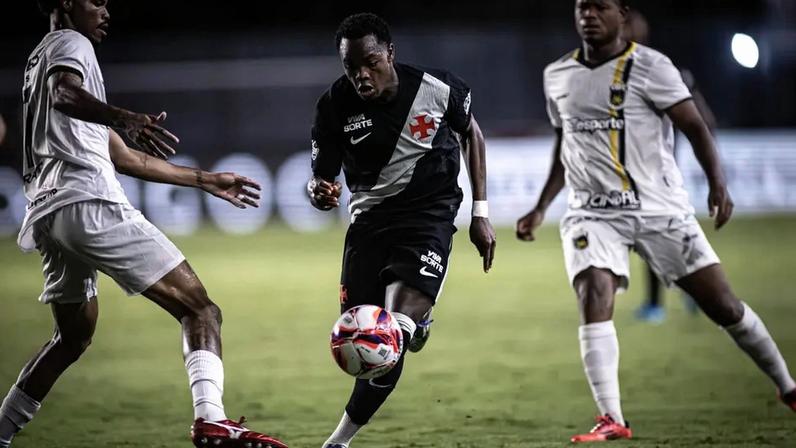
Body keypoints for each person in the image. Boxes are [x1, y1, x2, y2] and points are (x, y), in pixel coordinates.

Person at [0, 1, 287, 447]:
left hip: (48, 214)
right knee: (200, 309)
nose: (106, 9)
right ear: (63, 3)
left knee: (71, 338)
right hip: (87, 201)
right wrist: (124, 114)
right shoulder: (71, 44)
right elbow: (65, 93)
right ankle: (211, 418)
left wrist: (205, 179)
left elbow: (125, 156)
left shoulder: (39, 58)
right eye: (95, 0)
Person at [516, 0, 796, 442]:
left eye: (599, 7)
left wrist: (718, 185)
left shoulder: (652, 66)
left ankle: (788, 386)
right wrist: (540, 205)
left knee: (725, 307)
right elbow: (563, 145)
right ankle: (612, 418)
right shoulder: (557, 74)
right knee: (593, 290)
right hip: (593, 212)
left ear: (621, 14)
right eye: (581, 7)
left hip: (659, 209)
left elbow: (696, 126)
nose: (588, 14)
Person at [308, 13, 496, 448]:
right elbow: (323, 178)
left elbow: (473, 134)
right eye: (350, 67)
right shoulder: (334, 105)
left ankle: (336, 443)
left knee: (384, 337)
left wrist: (481, 213)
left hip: (428, 219)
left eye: (370, 62)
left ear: (389, 53)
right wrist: (320, 191)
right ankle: (419, 320)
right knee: (360, 341)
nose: (361, 75)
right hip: (369, 226)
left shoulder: (438, 88)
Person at [623, 8, 713, 323]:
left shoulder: (661, 70)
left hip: (657, 176)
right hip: (635, 175)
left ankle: (658, 304)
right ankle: (690, 293)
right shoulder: (614, 71)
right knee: (658, 238)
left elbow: (704, 122)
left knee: (653, 238)